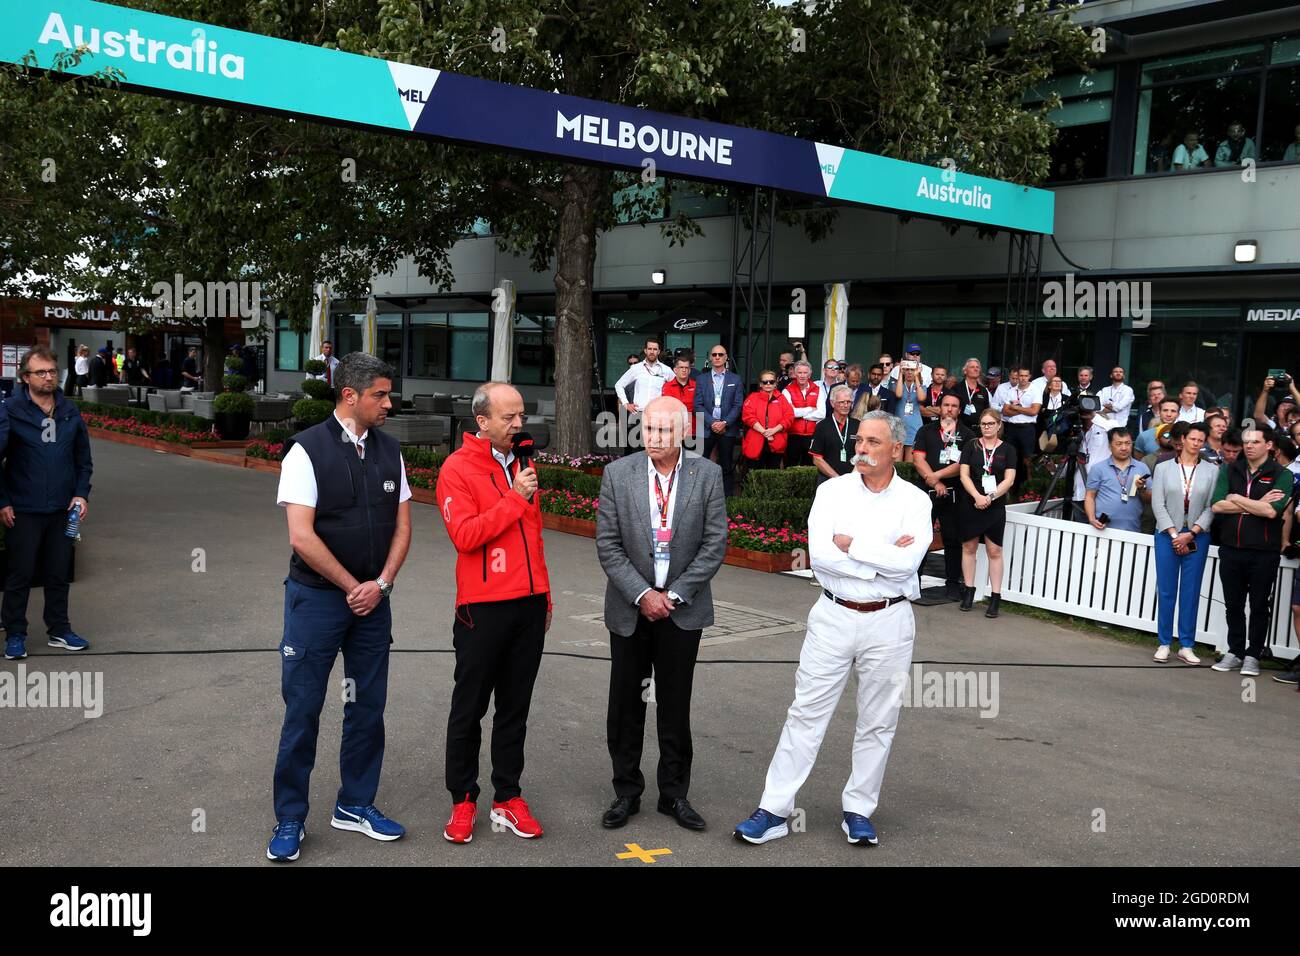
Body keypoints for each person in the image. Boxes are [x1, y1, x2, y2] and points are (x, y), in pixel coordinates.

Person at [733, 411, 932, 848]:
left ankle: (859, 810)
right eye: (859, 440)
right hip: (833, 614)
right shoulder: (831, 492)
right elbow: (822, 557)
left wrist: (854, 545)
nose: (861, 449)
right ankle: (774, 810)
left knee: (879, 721)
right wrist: (879, 558)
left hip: (890, 619)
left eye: (873, 442)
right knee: (806, 712)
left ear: (896, 451)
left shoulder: (915, 501)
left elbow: (908, 564)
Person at [267, 352, 412, 863]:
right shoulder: (305, 451)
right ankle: (290, 817)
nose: (389, 403)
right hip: (316, 603)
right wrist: (356, 586)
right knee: (303, 710)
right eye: (380, 394)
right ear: (349, 395)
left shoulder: (390, 451)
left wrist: (383, 584)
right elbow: (301, 536)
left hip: (375, 604)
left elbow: (403, 526)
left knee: (367, 708)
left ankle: (355, 804)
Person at [596, 396, 727, 832]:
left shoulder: (708, 475)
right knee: (626, 705)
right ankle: (625, 793)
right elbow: (608, 545)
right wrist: (642, 594)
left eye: (664, 431)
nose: (653, 438)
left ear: (684, 432)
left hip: (682, 612)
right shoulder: (618, 474)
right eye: (648, 430)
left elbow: (714, 544)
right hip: (631, 612)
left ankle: (674, 795)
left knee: (674, 704)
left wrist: (673, 596)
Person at [436, 381, 553, 844]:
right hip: (482, 608)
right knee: (469, 708)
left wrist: (545, 594)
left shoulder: (524, 464)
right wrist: (514, 498)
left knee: (515, 708)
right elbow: (465, 536)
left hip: (528, 604)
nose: (519, 424)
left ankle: (508, 797)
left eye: (521, 415)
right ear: (482, 421)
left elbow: (535, 535)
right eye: (509, 417)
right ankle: (462, 799)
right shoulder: (457, 468)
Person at [0, 347, 93, 662]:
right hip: (23, 509)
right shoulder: (11, 410)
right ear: (25, 377)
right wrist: (3, 501)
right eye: (41, 372)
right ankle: (15, 633)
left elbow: (83, 459)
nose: (49, 376)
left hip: (63, 510)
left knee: (58, 574)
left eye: (52, 370)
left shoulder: (69, 410)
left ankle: (59, 630)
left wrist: (81, 494)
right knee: (19, 575)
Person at [1210, 427, 1294, 678]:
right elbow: (1217, 505)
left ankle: (1253, 655)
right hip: (1231, 549)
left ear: (1269, 445)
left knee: (1258, 606)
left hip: (1263, 552)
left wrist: (1235, 498)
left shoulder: (1282, 474)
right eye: (1246, 441)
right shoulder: (1230, 468)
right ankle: (1235, 651)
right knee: (1233, 604)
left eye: (1255, 442)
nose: (1249, 446)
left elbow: (1272, 512)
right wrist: (1256, 503)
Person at [1150, 422, 1216, 665]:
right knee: (1167, 590)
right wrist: (1174, 532)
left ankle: (1186, 645)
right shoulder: (1164, 468)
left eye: (1201, 440)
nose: (1196, 443)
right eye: (1193, 439)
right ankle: (1164, 642)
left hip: (1197, 536)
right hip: (1167, 534)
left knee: (1190, 592)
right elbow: (1158, 503)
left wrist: (1193, 531)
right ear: (1183, 440)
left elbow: (1212, 506)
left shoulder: (1212, 470)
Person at [913, 392, 976, 600]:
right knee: (921, 539)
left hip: (954, 494)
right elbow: (918, 458)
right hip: (926, 493)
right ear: (940, 408)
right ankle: (915, 581)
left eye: (954, 406)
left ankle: (952, 584)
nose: (949, 409)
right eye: (946, 405)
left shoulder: (967, 435)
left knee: (952, 539)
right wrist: (933, 481)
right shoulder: (926, 431)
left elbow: (962, 465)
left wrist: (937, 476)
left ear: (959, 410)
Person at [957, 408, 1018, 617]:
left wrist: (990, 498)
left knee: (994, 551)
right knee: (969, 547)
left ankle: (995, 597)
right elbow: (964, 475)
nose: (987, 427)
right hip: (971, 502)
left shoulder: (1008, 449)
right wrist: (976, 496)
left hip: (995, 505)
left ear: (999, 425)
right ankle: (969, 590)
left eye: (991, 423)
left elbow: (1009, 480)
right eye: (983, 424)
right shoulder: (971, 446)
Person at [694, 345, 743, 496]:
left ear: (726, 357)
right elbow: (698, 404)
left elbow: (738, 405)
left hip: (727, 429)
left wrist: (724, 423)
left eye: (720, 354)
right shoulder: (701, 379)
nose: (717, 357)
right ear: (710, 357)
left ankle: (727, 499)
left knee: (726, 465)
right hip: (707, 427)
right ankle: (699, 496)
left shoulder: (735, 379)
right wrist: (713, 423)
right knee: (701, 464)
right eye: (714, 354)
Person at [1084, 428, 1151, 533]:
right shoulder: (1098, 468)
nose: (1124, 448)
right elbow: (1089, 496)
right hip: (1102, 527)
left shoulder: (1142, 468)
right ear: (1110, 446)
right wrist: (1092, 519)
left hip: (1133, 528)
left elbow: (1149, 500)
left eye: (1128, 443)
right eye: (1119, 444)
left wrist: (1142, 488)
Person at [993, 366, 1041, 495]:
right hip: (1011, 428)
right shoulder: (1011, 390)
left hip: (1027, 428)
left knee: (1028, 459)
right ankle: (1008, 489)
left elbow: (1034, 411)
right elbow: (1005, 411)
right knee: (1010, 458)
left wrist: (1015, 408)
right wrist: (1024, 409)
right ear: (1017, 376)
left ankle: (1030, 490)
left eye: (1025, 376)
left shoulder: (1035, 390)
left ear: (1029, 376)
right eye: (1021, 376)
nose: (1023, 378)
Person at [740, 370, 794, 475]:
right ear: (760, 384)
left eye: (771, 382)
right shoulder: (752, 397)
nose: (768, 384)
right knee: (753, 476)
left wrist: (774, 430)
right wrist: (765, 432)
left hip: (776, 441)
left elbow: (789, 417)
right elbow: (748, 417)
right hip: (755, 442)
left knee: (773, 476)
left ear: (776, 384)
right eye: (765, 382)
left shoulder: (782, 399)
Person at [809, 385, 858, 484]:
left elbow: (862, 455)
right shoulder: (822, 426)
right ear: (832, 403)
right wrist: (837, 479)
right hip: (828, 480)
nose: (845, 405)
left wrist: (852, 478)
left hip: (853, 481)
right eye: (841, 402)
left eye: (848, 402)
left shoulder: (858, 425)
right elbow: (817, 459)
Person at [1071, 405, 1112, 522]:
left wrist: (1094, 416)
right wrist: (1054, 468)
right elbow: (1072, 465)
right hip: (1079, 493)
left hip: (1100, 494)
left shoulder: (1106, 430)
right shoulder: (1077, 434)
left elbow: (1118, 429)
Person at [614, 338, 673, 417]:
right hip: (638, 414)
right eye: (649, 349)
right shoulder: (636, 368)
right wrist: (625, 403)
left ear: (658, 351)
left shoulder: (666, 370)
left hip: (658, 415)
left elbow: (676, 387)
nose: (652, 352)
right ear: (645, 350)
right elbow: (619, 385)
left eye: (655, 349)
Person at [781, 360, 820, 467]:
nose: (802, 376)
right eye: (799, 372)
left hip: (812, 435)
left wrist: (799, 413)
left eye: (805, 373)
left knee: (809, 469)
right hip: (793, 435)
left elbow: (822, 413)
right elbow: (789, 413)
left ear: (810, 374)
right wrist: (810, 409)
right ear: (794, 373)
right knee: (790, 467)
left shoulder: (818, 389)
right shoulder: (787, 391)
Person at [883, 359, 924, 451]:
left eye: (912, 370)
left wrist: (917, 376)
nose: (909, 372)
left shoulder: (921, 387)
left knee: (909, 464)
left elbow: (921, 398)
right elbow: (898, 394)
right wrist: (900, 374)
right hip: (899, 427)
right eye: (907, 369)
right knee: (897, 462)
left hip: (914, 427)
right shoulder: (896, 385)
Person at [660, 354, 697, 440]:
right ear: (675, 370)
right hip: (673, 429)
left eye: (686, 368)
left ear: (690, 370)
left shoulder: (696, 386)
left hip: (692, 429)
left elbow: (698, 406)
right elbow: (668, 407)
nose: (684, 370)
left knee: (691, 453)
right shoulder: (667, 386)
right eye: (681, 367)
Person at [953, 357, 992, 432]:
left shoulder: (983, 390)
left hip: (979, 430)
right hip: (960, 429)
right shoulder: (957, 388)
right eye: (972, 367)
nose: (976, 369)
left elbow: (986, 411)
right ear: (965, 371)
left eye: (977, 367)